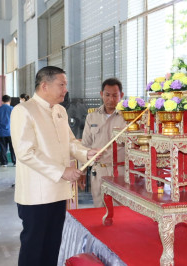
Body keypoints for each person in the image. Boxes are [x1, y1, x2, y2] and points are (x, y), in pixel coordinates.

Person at [11, 66, 99, 266]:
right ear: (44, 85)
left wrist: (86, 153)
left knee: (52, 245)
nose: (65, 89)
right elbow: (26, 152)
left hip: (58, 191)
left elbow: (69, 142)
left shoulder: (59, 110)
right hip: (35, 195)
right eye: (61, 84)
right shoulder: (23, 111)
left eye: (65, 85)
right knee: (33, 248)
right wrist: (62, 171)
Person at [81, 78, 126, 207]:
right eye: (107, 95)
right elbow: (85, 146)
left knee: (122, 213)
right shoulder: (92, 117)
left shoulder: (128, 117)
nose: (111, 99)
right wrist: (83, 172)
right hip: (98, 172)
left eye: (115, 95)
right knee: (100, 210)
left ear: (121, 95)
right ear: (101, 94)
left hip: (121, 172)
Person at [0, 95, 15, 167]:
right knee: (13, 148)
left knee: (3, 148)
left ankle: (4, 163)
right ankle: (15, 162)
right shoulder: (13, 109)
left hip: (2, 132)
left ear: (2, 101)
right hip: (12, 132)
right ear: (10, 101)